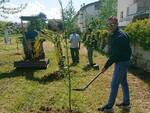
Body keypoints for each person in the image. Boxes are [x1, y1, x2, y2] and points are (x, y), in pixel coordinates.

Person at [98, 16, 132, 112]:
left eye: (112, 24)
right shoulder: (120, 33)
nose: (109, 26)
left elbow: (114, 56)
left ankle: (109, 107)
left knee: (114, 83)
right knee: (123, 82)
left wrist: (105, 67)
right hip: (124, 61)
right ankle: (126, 103)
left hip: (121, 62)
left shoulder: (119, 37)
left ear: (117, 24)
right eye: (108, 24)